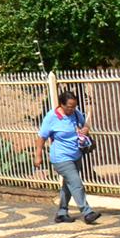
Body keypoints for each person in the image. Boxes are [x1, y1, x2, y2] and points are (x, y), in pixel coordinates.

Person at [36, 89, 100, 225]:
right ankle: (87, 212)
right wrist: (38, 155)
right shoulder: (51, 117)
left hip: (76, 155)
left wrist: (85, 130)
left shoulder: (76, 114)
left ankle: (61, 213)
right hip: (60, 157)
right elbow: (42, 137)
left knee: (68, 186)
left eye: (74, 106)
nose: (72, 109)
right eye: (69, 107)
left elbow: (85, 125)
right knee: (76, 183)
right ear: (61, 105)